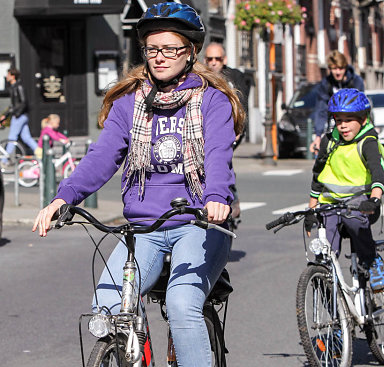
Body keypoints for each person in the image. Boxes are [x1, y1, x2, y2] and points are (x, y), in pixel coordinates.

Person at [32, 3, 244, 367]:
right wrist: (62, 198)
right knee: (109, 306)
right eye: (151, 49)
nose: (159, 58)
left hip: (198, 223)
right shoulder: (130, 103)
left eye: (170, 49)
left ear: (191, 51)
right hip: (143, 228)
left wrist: (215, 197)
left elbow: (219, 157)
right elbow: (101, 157)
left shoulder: (213, 101)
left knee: (181, 304)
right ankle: (134, 348)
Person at [304, 88, 384, 290]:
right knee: (325, 246)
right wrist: (311, 209)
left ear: (363, 118)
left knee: (353, 222)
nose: (342, 126)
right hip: (331, 203)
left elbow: (379, 175)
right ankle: (326, 282)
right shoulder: (329, 141)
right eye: (338, 120)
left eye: (349, 119)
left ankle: (372, 261)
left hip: (362, 203)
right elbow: (318, 175)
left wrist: (374, 200)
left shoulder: (368, 142)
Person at [204, 42, 251, 218]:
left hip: (232, 128)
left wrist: (239, 128)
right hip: (207, 129)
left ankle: (232, 197)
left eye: (218, 58)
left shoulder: (234, 77)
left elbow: (243, 104)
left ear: (224, 60)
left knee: (221, 157)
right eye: (210, 59)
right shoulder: (200, 77)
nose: (214, 62)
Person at [309, 50, 365, 153]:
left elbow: (360, 107)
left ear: (345, 68)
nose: (338, 72)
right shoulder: (326, 84)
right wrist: (318, 135)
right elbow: (321, 109)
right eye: (334, 69)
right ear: (330, 69)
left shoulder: (356, 81)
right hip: (336, 124)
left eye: (340, 68)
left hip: (354, 123)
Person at [0, 67, 38, 165]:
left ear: (13, 76)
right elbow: (10, 101)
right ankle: (40, 153)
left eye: (8, 75)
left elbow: (23, 102)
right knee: (26, 137)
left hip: (19, 116)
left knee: (12, 137)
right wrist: (6, 114)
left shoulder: (19, 87)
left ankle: (4, 160)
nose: (6, 77)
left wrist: (16, 114)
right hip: (20, 115)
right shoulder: (13, 87)